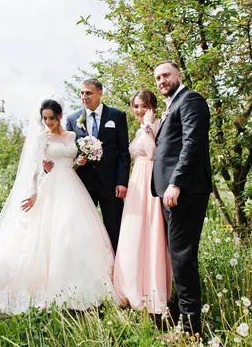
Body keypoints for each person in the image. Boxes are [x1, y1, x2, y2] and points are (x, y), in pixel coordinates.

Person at [0, 99, 117, 331]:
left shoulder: (73, 137)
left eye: (52, 118)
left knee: (72, 235)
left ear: (61, 116)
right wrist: (33, 193)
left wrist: (79, 161)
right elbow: (33, 168)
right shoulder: (43, 138)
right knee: (45, 236)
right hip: (49, 189)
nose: (48, 122)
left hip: (71, 186)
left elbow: (69, 164)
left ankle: (76, 292)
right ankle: (48, 289)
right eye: (45, 118)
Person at [150, 61, 212, 338]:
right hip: (171, 193)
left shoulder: (191, 99)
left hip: (184, 191)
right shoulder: (172, 104)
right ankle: (181, 314)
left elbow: (192, 144)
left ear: (179, 75)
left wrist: (176, 183)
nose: (161, 80)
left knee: (183, 256)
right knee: (178, 255)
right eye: (158, 78)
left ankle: (189, 329)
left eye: (166, 75)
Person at [113, 89, 172, 314]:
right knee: (133, 233)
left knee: (150, 231)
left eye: (143, 106)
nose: (139, 111)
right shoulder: (140, 128)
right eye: (136, 106)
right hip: (137, 183)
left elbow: (155, 154)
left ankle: (151, 291)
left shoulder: (158, 125)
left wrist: (148, 129)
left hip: (151, 182)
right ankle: (130, 286)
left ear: (153, 107)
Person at [61, 78, 131, 252]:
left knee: (114, 227)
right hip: (84, 184)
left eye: (89, 93)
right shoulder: (72, 119)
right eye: (82, 93)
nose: (84, 96)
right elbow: (69, 151)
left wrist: (122, 181)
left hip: (111, 184)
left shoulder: (117, 116)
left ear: (100, 93)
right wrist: (77, 162)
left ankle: (115, 269)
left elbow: (123, 152)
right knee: (83, 228)